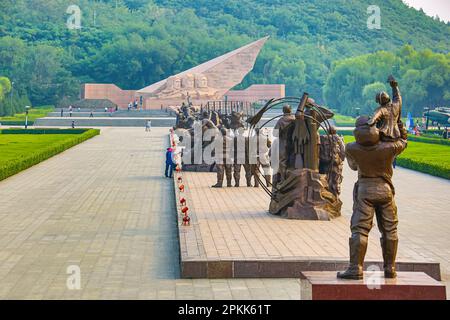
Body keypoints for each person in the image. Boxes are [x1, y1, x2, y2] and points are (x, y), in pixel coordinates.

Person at [337, 115, 407, 280]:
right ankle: (390, 268)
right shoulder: (388, 147)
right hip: (385, 191)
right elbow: (404, 140)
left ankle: (356, 268)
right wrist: (396, 122)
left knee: (359, 229)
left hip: (365, 191)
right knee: (390, 230)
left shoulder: (352, 148)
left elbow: (354, 167)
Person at [367, 76, 403, 141]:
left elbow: (375, 117)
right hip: (396, 135)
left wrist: (370, 121)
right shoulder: (396, 105)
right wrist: (394, 86)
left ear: (380, 102)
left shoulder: (381, 109)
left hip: (384, 135)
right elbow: (398, 97)